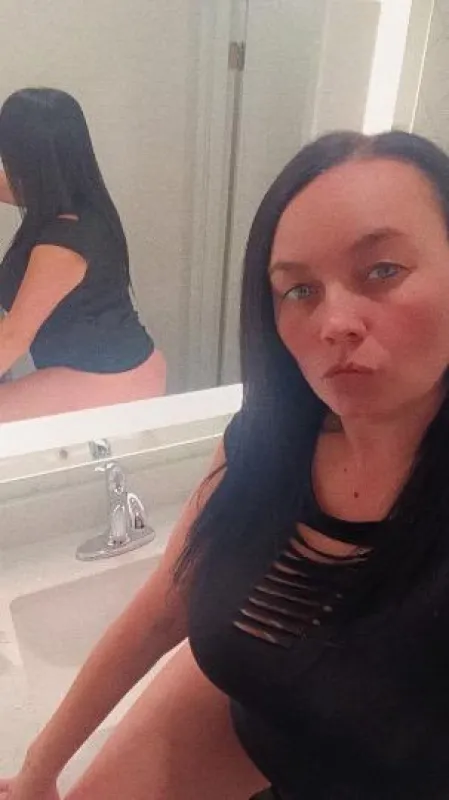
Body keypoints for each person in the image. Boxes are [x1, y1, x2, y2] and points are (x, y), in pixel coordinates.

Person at [4, 127, 449, 800]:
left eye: (382, 270)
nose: (334, 322)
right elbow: (165, 608)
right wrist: (40, 770)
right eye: (298, 290)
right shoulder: (267, 445)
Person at [0, 88, 165, 421]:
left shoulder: (63, 245)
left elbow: (13, 338)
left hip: (111, 379)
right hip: (121, 363)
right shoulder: (73, 196)